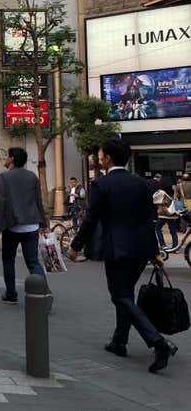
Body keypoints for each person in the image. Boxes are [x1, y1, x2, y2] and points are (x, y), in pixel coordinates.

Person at [69, 137, 177, 373]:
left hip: (117, 248)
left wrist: (75, 245)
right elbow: (149, 219)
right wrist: (154, 252)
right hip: (141, 248)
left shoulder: (102, 184)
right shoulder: (143, 184)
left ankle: (159, 343)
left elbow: (90, 219)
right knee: (125, 293)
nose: (99, 158)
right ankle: (119, 341)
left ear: (107, 158)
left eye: (100, 155)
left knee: (120, 296)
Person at [0, 147, 48, 305]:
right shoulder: (32, 176)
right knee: (33, 262)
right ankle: (44, 293)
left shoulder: (3, 177)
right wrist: (43, 223)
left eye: (6, 156)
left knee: (8, 259)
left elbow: (1, 204)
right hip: (32, 224)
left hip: (13, 225)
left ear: (11, 159)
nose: (5, 159)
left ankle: (11, 294)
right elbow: (38, 201)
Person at [154, 185, 180, 250]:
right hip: (172, 215)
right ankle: (175, 247)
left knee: (157, 228)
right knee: (173, 231)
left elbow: (154, 199)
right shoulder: (175, 193)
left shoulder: (161, 193)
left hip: (163, 214)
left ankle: (163, 245)